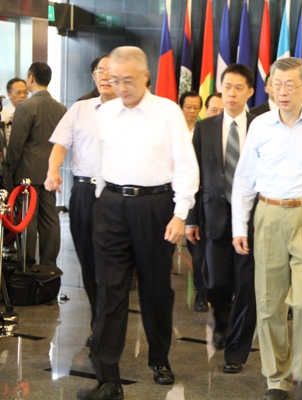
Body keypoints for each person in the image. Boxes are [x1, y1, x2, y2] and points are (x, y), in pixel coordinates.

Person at [77, 46, 199, 400]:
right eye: (114, 80)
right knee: (109, 289)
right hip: (112, 205)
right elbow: (99, 158)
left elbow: (186, 165)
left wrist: (180, 212)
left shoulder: (167, 112)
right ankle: (107, 377)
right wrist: (101, 197)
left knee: (155, 289)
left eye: (127, 80)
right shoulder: (106, 112)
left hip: (155, 207)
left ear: (146, 76)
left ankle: (159, 359)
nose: (120, 87)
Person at [231, 57, 302, 400]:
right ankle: (277, 380)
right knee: (268, 304)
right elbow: (244, 180)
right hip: (268, 216)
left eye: (291, 85)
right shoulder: (260, 126)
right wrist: (240, 225)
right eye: (276, 85)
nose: (282, 92)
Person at [186, 63, 256, 374]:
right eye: (227, 86)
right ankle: (223, 323)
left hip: (252, 219)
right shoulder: (205, 127)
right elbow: (193, 175)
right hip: (213, 215)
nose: (232, 93)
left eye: (239, 88)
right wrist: (190, 218)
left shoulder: (262, 126)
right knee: (216, 282)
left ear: (250, 92)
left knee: (246, 284)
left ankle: (237, 344)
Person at [44, 53, 115, 346]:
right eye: (100, 71)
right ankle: (99, 322)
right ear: (94, 76)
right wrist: (52, 172)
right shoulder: (80, 108)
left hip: (116, 193)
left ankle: (110, 324)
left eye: (110, 71)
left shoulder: (132, 110)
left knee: (113, 264)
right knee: (88, 261)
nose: (105, 76)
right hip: (85, 192)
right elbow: (61, 144)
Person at [7, 62, 66, 265]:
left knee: (28, 218)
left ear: (31, 78)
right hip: (50, 173)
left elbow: (16, 145)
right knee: (50, 218)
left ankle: (28, 262)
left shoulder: (26, 106)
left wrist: (9, 172)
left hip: (26, 174)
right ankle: (49, 263)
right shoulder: (60, 108)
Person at [178, 91, 208, 312]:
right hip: (169, 194)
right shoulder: (172, 130)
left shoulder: (203, 131)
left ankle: (202, 292)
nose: (191, 111)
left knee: (198, 250)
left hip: (195, 196)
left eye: (196, 107)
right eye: (188, 107)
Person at [1, 78, 28, 144]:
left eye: (25, 92)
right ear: (9, 94)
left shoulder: (30, 113)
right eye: (18, 92)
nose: (22, 95)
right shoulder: (2, 114)